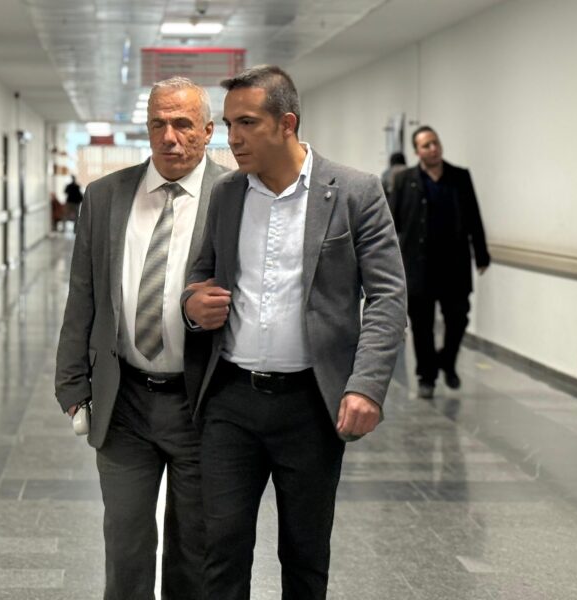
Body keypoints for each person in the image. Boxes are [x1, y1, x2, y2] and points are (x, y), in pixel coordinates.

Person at [183, 65, 407, 599]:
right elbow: (201, 273)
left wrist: (366, 385)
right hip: (231, 401)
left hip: (311, 404)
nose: (233, 138)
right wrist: (193, 303)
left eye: (247, 123)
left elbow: (388, 296)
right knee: (222, 550)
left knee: (305, 553)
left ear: (287, 123)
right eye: (228, 124)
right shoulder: (227, 194)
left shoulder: (354, 192)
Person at [54, 77, 227, 600]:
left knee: (194, 549)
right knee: (126, 544)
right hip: (124, 400)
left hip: (202, 403)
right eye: (158, 124)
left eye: (183, 124)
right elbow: (83, 294)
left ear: (208, 131)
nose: (169, 137)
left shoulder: (235, 197)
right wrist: (71, 385)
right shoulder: (105, 197)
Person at [389, 126, 489, 399]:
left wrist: (481, 254)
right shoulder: (405, 180)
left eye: (435, 143)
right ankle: (427, 376)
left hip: (454, 266)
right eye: (426, 145)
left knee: (458, 318)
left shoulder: (459, 177)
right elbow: (392, 223)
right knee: (422, 326)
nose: (433, 149)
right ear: (417, 151)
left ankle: (446, 359)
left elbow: (474, 216)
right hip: (419, 266)